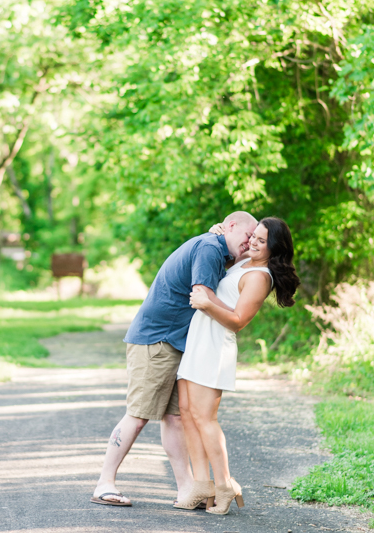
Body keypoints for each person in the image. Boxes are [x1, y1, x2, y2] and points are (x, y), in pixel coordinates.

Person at [90, 211, 260, 507]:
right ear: (230, 226)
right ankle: (104, 483)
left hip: (174, 343)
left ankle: (186, 490)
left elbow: (241, 265)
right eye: (248, 237)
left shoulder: (219, 249)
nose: (249, 244)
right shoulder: (210, 249)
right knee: (139, 414)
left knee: (174, 418)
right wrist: (236, 318)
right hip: (157, 339)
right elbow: (202, 295)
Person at [174, 217, 300, 515]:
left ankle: (225, 486)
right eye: (252, 237)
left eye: (260, 240)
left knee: (205, 418)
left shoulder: (261, 276)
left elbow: (239, 321)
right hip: (199, 338)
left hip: (215, 344)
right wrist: (216, 230)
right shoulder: (245, 262)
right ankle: (202, 485)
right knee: (188, 413)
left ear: (275, 247)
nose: (252, 243)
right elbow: (227, 246)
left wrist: (207, 304)